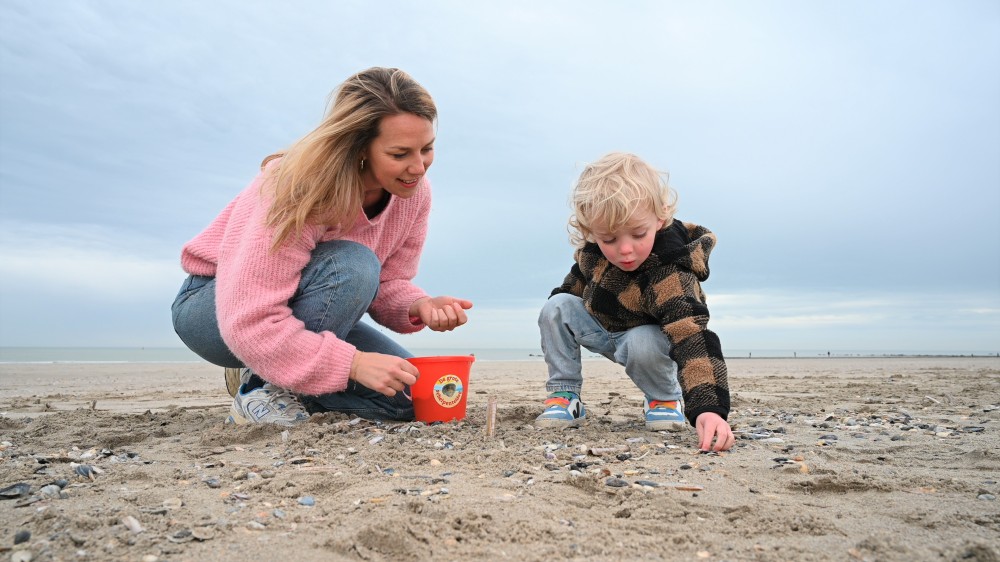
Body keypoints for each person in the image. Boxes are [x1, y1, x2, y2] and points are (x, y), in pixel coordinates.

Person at [171, 67, 472, 427]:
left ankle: (284, 378)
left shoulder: (414, 194)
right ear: (359, 147)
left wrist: (418, 305)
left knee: (412, 397)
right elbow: (249, 317)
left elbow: (386, 283)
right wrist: (353, 364)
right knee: (353, 263)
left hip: (304, 315)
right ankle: (258, 386)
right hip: (218, 311)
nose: (418, 167)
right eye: (399, 153)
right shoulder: (296, 185)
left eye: (427, 149)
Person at [535, 152, 733, 451]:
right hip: (603, 329)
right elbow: (573, 289)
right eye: (609, 239)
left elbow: (692, 336)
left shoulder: (670, 271)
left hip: (649, 343)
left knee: (642, 338)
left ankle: (664, 398)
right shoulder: (593, 252)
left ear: (660, 217)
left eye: (638, 234)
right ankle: (565, 396)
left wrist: (708, 408)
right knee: (557, 305)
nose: (624, 250)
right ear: (591, 231)